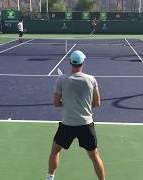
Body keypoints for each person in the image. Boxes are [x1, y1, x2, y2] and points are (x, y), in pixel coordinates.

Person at [46, 50, 105, 180]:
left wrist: (67, 103)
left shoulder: (61, 80)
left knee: (55, 151)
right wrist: (82, 107)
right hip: (86, 125)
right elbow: (97, 103)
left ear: (70, 62)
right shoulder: (91, 79)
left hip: (67, 125)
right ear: (83, 62)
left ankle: (50, 178)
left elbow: (56, 103)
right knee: (95, 155)